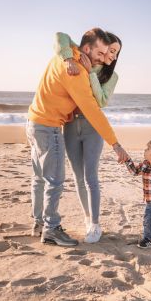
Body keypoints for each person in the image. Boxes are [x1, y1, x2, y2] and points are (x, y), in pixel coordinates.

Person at [26, 27, 128, 248]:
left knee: (44, 178)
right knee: (55, 180)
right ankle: (50, 228)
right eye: (102, 52)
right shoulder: (74, 67)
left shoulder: (74, 58)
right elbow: (93, 109)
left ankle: (42, 224)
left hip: (35, 121)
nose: (107, 56)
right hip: (55, 126)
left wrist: (77, 63)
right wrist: (115, 144)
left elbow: (99, 103)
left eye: (111, 53)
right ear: (87, 48)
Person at [54, 31, 121, 243]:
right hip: (71, 125)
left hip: (93, 127)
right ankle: (86, 217)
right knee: (77, 177)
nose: (111, 56)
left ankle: (95, 224)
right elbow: (61, 37)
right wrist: (67, 58)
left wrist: (91, 72)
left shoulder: (112, 76)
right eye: (110, 50)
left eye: (116, 52)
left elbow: (101, 101)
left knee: (91, 177)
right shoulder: (81, 55)